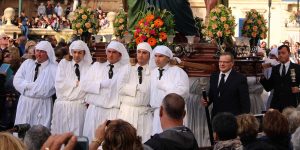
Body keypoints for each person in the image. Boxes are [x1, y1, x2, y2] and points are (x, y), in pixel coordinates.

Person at [81, 41, 130, 141]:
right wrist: (100, 85)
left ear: (120, 55)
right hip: (95, 110)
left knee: (110, 142)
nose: (111, 55)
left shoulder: (125, 70)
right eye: (109, 51)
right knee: (93, 139)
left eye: (114, 52)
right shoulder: (97, 66)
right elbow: (84, 85)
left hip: (113, 112)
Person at [51, 40, 92, 136]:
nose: (76, 55)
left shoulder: (88, 67)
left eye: (79, 52)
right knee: (60, 136)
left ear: (84, 53)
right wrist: (75, 83)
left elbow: (87, 88)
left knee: (77, 137)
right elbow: (59, 85)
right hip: (62, 106)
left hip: (78, 108)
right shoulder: (64, 64)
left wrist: (74, 87)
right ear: (71, 52)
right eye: (74, 52)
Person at [13, 41, 57, 128]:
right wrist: (29, 85)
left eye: (42, 51)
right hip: (25, 103)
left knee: (39, 134)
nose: (39, 54)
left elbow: (45, 90)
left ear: (48, 53)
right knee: (21, 132)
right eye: (37, 51)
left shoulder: (54, 69)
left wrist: (25, 86)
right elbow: (16, 81)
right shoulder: (27, 63)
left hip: (42, 104)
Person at [150, 45, 189, 134]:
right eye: (155, 56)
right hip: (157, 113)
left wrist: (165, 86)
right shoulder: (153, 72)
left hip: (173, 113)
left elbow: (183, 91)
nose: (157, 59)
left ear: (168, 58)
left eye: (160, 56)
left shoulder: (177, 71)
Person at [118, 42, 153, 142]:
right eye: (139, 52)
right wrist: (136, 88)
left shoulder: (153, 72)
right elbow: (120, 88)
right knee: (126, 141)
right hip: (128, 112)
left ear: (149, 55)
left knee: (144, 141)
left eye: (144, 53)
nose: (141, 55)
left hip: (144, 114)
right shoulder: (127, 68)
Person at [201, 52, 250, 118]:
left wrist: (244, 119)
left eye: (225, 62)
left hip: (233, 119)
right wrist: (206, 100)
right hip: (216, 118)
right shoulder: (214, 76)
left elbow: (245, 102)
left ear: (232, 63)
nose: (222, 64)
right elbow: (212, 96)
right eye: (220, 62)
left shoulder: (240, 78)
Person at [260, 45, 300, 112]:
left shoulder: (297, 68)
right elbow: (268, 87)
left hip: (292, 106)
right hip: (276, 106)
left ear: (289, 54)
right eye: (279, 53)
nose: (280, 55)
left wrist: (299, 89)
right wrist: (262, 76)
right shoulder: (275, 68)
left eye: (283, 53)